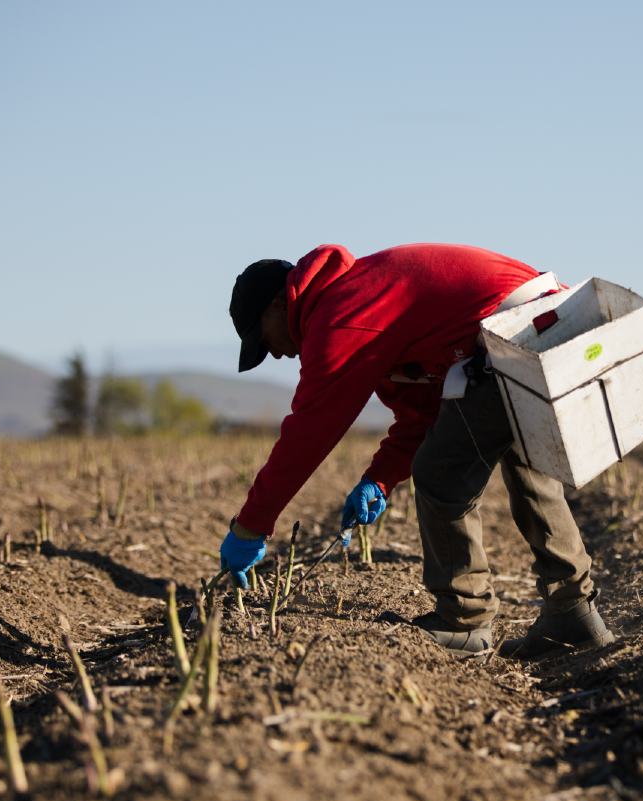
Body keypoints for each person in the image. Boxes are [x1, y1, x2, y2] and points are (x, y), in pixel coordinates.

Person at [218, 243, 616, 657]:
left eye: (264, 338)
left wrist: (250, 527)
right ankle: (573, 613)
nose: (276, 353)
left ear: (281, 303)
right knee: (528, 471)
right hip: (543, 330)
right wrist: (379, 478)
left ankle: (464, 619)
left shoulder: (342, 314)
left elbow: (309, 431)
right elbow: (422, 417)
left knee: (441, 475)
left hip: (518, 335)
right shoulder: (365, 303)